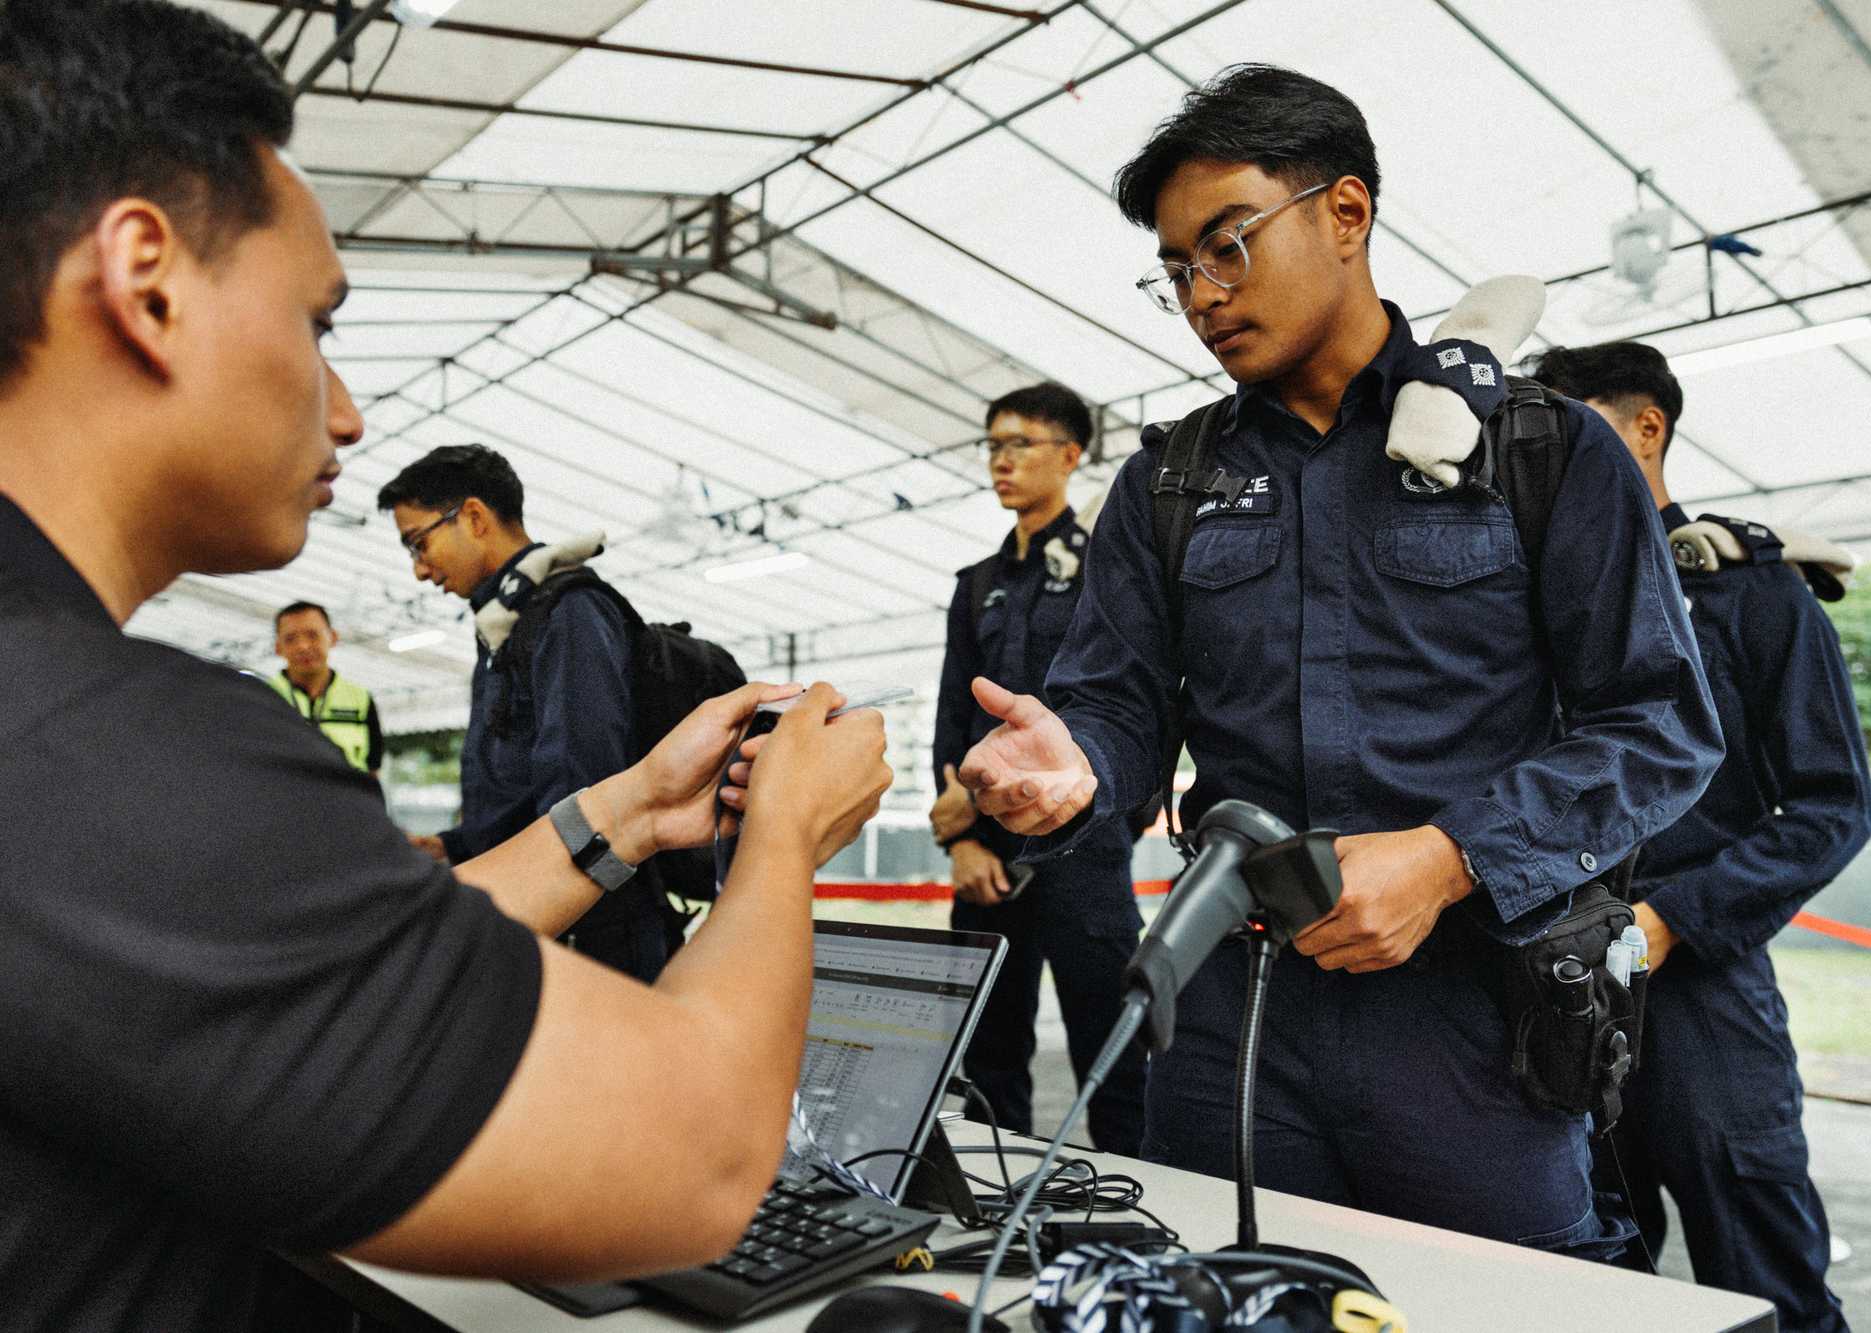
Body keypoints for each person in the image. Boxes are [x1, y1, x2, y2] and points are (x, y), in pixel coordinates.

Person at [0, 4, 890, 1329]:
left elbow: (307, 965)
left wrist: (635, 811)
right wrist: (783, 837)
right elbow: (698, 1155)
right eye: (317, 322)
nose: (345, 410)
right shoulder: (102, 750)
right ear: (146, 278)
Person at [956, 64, 1723, 1259]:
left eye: (1225, 246)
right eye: (1174, 272)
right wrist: (1074, 773)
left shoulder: (1542, 453)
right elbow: (1112, 706)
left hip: (1475, 1019)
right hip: (1233, 1013)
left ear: (1345, 214)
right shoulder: (1166, 484)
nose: (1201, 296)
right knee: (1224, 1284)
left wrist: (1449, 857)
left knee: (1487, 1303)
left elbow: (1658, 725)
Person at [1534, 340, 1871, 1331]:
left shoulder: (1750, 591)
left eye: (1569, 432)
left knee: (1762, 1274)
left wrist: (1668, 920)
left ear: (1646, 426)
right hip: (1551, 983)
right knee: (1587, 1277)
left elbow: (1829, 804)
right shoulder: (1529, 606)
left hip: (1699, 989)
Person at [931, 382, 1148, 1154]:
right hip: (987, 856)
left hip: (1086, 851)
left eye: (1018, 443)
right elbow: (954, 715)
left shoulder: (1109, 564)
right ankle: (996, 1218)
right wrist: (956, 839)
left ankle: (1135, 1230)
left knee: (1115, 1055)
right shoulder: (977, 587)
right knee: (986, 1063)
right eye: (991, 445)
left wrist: (1116, 815)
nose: (1000, 461)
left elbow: (1138, 699)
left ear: (1070, 454)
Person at [377, 444, 688, 981]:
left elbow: (584, 799)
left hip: (589, 931)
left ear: (473, 517)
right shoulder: (507, 624)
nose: (420, 571)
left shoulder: (569, 611)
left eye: (418, 543)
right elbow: (522, 790)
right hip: (546, 913)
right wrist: (453, 847)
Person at [269, 599, 385, 784]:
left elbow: (373, 770)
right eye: (291, 639)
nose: (303, 646)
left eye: (312, 635)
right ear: (278, 648)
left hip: (347, 808)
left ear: (333, 637)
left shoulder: (360, 699)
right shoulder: (262, 696)